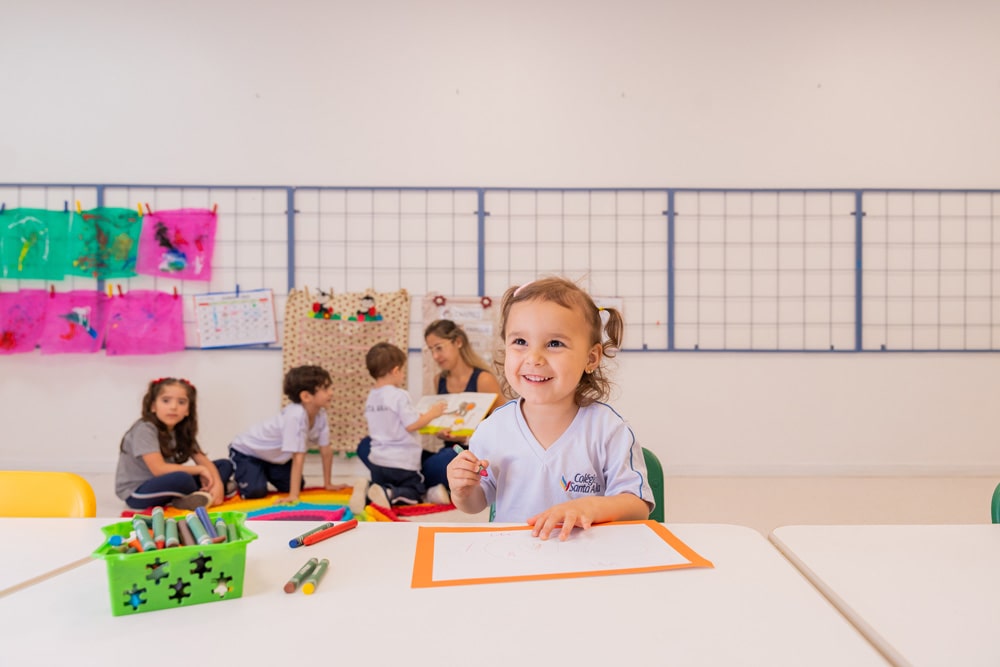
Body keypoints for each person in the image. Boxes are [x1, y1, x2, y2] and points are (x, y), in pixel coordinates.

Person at [447, 277, 654, 541]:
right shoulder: (492, 429)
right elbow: (476, 503)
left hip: (585, 555)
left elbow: (637, 507)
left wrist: (589, 507)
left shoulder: (608, 429)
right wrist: (462, 490)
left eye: (554, 343)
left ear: (591, 358)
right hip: (513, 556)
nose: (534, 358)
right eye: (520, 341)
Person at [115, 377, 233, 510]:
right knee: (183, 479)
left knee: (224, 465)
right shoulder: (145, 429)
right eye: (166, 401)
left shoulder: (180, 430)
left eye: (181, 402)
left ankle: (201, 494)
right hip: (138, 492)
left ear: (188, 410)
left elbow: (202, 460)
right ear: (153, 406)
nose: (173, 407)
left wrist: (218, 484)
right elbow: (159, 469)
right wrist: (200, 470)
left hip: (167, 483)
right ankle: (199, 494)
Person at [229, 365, 338, 503]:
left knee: (295, 485)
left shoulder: (320, 414)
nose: (331, 393)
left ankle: (261, 472)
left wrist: (328, 483)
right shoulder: (295, 415)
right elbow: (298, 455)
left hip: (273, 459)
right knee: (255, 491)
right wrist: (293, 496)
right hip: (247, 453)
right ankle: (235, 479)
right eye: (325, 389)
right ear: (306, 396)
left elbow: (326, 450)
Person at [419, 319, 502, 492]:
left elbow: (504, 424)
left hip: (472, 455)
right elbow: (443, 420)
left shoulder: (483, 379)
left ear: (458, 342)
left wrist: (466, 437)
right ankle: (416, 482)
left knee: (443, 461)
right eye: (431, 350)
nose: (435, 356)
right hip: (448, 452)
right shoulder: (439, 380)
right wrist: (440, 432)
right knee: (375, 449)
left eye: (439, 348)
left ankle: (411, 483)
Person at [362, 341, 448, 507]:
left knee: (383, 486)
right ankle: (390, 494)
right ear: (395, 370)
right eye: (402, 371)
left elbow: (395, 421)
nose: (403, 375)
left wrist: (421, 417)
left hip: (378, 462)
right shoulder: (399, 395)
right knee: (416, 491)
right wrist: (433, 413)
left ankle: (370, 490)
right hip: (401, 462)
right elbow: (411, 424)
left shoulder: (372, 396)